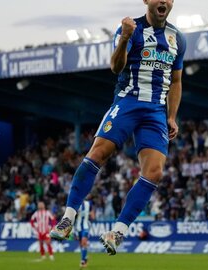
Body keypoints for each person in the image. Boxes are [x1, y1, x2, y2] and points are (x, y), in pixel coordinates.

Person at [50, 0, 186, 256]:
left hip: (156, 110)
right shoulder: (130, 29)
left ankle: (118, 231)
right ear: (146, 0)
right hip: (128, 102)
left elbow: (176, 80)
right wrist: (125, 38)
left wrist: (172, 116)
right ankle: (68, 218)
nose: (164, 1)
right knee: (98, 153)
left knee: (155, 173)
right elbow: (115, 67)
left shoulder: (178, 38)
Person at [74, 199, 93, 268]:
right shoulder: (76, 204)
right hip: (78, 227)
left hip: (86, 227)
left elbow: (92, 214)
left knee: (84, 242)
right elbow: (73, 216)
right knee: (81, 245)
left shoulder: (89, 203)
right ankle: (85, 258)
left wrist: (90, 215)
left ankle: (82, 261)